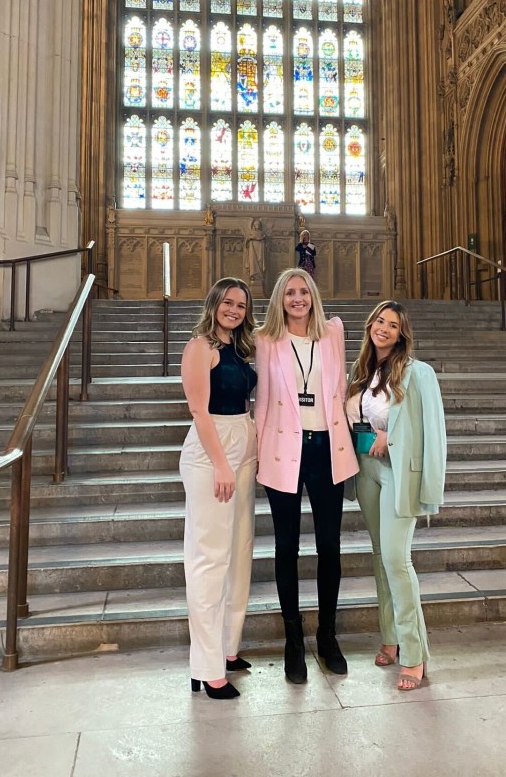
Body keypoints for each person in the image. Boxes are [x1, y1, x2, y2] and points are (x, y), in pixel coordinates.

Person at [255, 268, 358, 683]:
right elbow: (262, 402)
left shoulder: (333, 332)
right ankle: (293, 639)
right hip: (284, 450)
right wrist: (254, 458)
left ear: (313, 296)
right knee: (286, 548)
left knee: (329, 546)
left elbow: (343, 388)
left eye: (303, 292)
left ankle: (328, 634)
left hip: (328, 449)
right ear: (280, 299)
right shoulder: (266, 340)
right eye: (290, 293)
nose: (297, 299)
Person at [345, 301, 446, 691]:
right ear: (370, 325)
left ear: (402, 333)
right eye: (379, 321)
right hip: (366, 469)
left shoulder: (418, 373)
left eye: (393, 325)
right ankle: (389, 637)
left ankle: (414, 653)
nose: (383, 329)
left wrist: (392, 437)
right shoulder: (363, 372)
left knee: (396, 560)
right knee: (378, 556)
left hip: (397, 472)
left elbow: (432, 432)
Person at [179, 277, 258, 700]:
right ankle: (206, 668)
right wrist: (221, 463)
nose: (234, 310)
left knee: (239, 552)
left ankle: (227, 649)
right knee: (209, 559)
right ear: (214, 303)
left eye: (241, 305)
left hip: (242, 452)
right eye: (228, 302)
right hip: (212, 455)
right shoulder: (200, 347)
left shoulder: (241, 348)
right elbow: (198, 409)